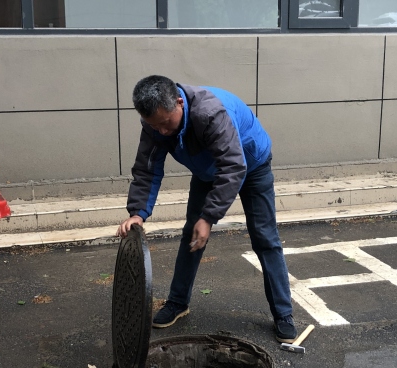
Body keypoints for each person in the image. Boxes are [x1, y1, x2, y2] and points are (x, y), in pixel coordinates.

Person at [117, 75, 297, 343]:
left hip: (251, 164)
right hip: (208, 171)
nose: (162, 131)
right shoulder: (154, 124)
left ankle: (283, 314)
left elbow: (233, 167)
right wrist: (137, 213)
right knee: (192, 233)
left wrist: (209, 217)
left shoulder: (210, 113)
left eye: (165, 123)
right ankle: (178, 302)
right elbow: (147, 169)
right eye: (155, 125)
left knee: (264, 236)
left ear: (179, 102)